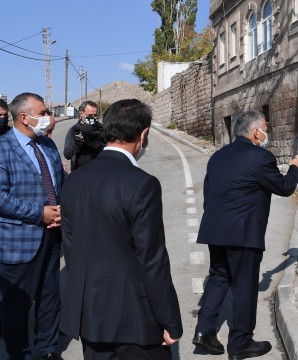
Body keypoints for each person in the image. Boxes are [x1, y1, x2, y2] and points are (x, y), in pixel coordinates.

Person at [59, 99, 182, 359]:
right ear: (144, 134)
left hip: (89, 316)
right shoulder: (142, 184)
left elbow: (70, 247)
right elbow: (151, 259)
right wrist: (170, 320)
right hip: (134, 319)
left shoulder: (74, 181)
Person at [192, 110, 298, 359]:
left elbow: (208, 193)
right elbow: (285, 187)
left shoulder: (218, 156)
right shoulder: (260, 157)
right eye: (265, 128)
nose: (266, 134)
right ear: (255, 132)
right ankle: (241, 342)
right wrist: (295, 167)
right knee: (244, 285)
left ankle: (204, 332)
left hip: (215, 230)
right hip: (243, 233)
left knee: (219, 277)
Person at [0, 93, 66, 359]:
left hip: (53, 237)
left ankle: (48, 349)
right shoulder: (2, 149)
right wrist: (39, 214)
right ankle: (20, 353)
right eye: (43, 111)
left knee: (50, 298)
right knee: (17, 305)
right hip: (19, 240)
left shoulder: (47, 146)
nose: (49, 117)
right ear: (25, 117)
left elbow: (61, 183)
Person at [63, 100, 104, 171]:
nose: (93, 118)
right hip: (80, 173)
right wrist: (77, 144)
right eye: (90, 115)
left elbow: (112, 148)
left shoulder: (101, 128)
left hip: (100, 170)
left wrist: (98, 146)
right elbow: (67, 155)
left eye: (95, 115)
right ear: (81, 113)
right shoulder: (74, 130)